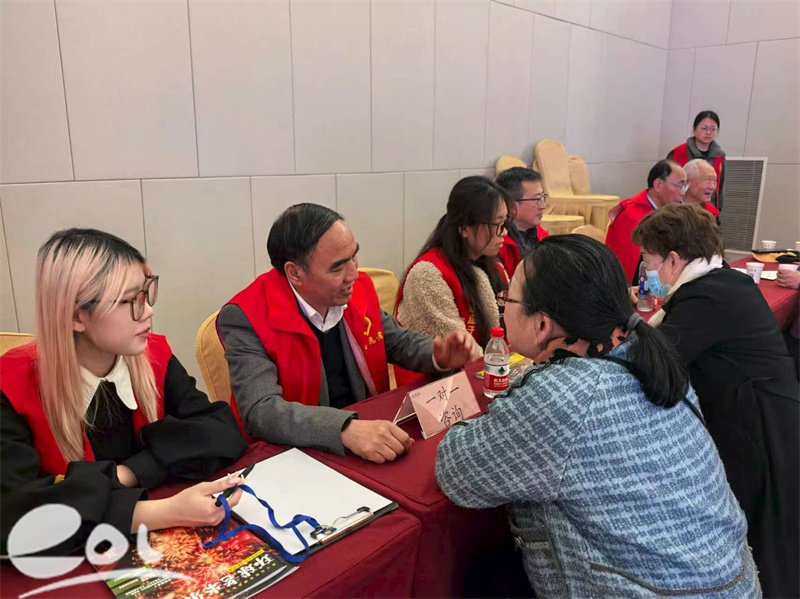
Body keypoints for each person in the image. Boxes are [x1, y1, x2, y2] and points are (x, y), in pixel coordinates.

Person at [435, 234, 759, 597]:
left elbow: (457, 470)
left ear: (542, 325)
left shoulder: (566, 395)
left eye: (507, 298)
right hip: (730, 581)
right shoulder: (644, 353)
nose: (503, 307)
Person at [0, 229, 248, 556]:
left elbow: (220, 431)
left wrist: (128, 473)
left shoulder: (153, 357)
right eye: (130, 300)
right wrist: (165, 511)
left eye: (146, 293)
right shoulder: (11, 387)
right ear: (76, 316)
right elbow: (15, 518)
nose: (148, 311)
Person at [217, 203, 479, 465]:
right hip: (296, 456)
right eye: (337, 268)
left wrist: (438, 354)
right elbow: (261, 411)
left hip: (366, 437)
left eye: (354, 257)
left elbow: (397, 342)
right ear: (294, 273)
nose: (353, 274)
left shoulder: (357, 290)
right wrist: (345, 429)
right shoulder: (246, 317)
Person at [632, 204, 799, 598]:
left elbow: (654, 365)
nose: (644, 272)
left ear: (673, 260)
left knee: (764, 544)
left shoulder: (706, 298)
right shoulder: (722, 282)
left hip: (761, 432)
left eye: (647, 260)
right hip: (765, 414)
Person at [394, 176, 509, 387]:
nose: (505, 233)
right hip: (437, 390)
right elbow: (461, 353)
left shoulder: (492, 266)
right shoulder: (427, 275)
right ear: (465, 228)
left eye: (505, 223)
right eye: (497, 225)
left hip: (480, 379)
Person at [605, 159, 686, 284]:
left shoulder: (671, 212)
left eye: (684, 187)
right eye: (679, 186)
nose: (683, 192)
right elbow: (627, 264)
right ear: (658, 185)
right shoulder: (632, 215)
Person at [494, 167, 549, 275]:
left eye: (543, 197)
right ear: (511, 205)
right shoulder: (495, 244)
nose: (543, 206)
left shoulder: (541, 235)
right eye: (537, 199)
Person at [668, 110, 726, 212]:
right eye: (704, 128)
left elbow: (720, 187)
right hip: (680, 208)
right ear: (694, 128)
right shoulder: (678, 153)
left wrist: (718, 209)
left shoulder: (719, 156)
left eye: (713, 129)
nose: (708, 132)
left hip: (709, 210)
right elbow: (668, 183)